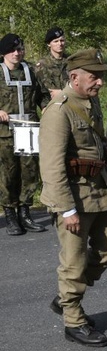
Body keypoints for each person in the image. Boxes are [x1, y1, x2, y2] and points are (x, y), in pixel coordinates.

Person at [40, 49, 107, 347]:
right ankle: (73, 321)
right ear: (74, 77)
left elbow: (94, 138)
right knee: (73, 262)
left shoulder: (91, 101)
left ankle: (66, 297)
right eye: (94, 76)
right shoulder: (58, 110)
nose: (100, 81)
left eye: (100, 76)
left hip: (100, 190)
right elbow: (51, 165)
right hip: (73, 197)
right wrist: (67, 209)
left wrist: (105, 150)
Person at [0, 33, 45, 236]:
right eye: (13, 49)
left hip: (28, 128)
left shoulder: (30, 71)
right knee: (9, 173)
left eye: (20, 49)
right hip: (5, 132)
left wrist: (49, 109)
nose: (17, 53)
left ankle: (25, 213)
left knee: (29, 172)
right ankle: (10, 214)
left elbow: (41, 96)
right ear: (4, 53)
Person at [35, 26, 69, 109]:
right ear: (49, 44)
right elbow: (40, 91)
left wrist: (62, 93)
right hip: (53, 107)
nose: (60, 44)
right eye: (56, 41)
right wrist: (44, 107)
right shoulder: (42, 65)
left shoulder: (72, 62)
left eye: (62, 40)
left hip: (71, 105)